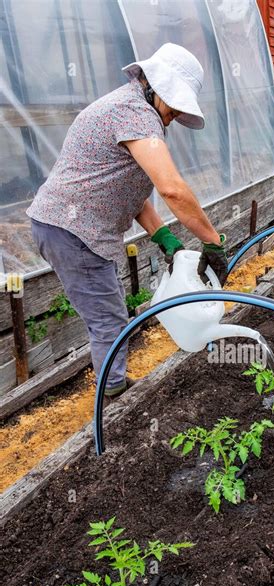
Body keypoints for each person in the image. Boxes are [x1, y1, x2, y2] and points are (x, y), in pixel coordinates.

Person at [26, 43, 228, 402]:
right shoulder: (135, 113)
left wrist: (166, 239)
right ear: (158, 86)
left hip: (73, 226)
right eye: (175, 108)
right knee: (109, 322)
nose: (173, 118)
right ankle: (113, 400)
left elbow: (128, 191)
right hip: (73, 228)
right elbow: (172, 190)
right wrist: (213, 241)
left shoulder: (132, 108)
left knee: (111, 312)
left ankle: (113, 385)